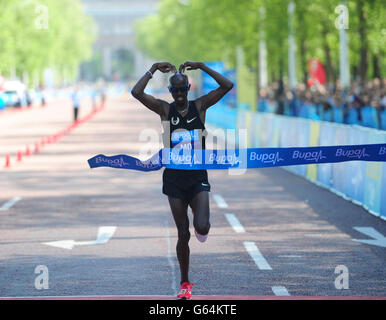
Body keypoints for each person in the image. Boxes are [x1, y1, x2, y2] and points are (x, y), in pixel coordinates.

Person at [131, 61, 233, 300]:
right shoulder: (165, 110)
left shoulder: (200, 106)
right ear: (170, 92)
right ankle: (185, 282)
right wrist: (153, 68)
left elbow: (227, 85)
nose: (178, 94)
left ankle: (202, 227)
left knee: (202, 227)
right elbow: (136, 93)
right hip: (174, 180)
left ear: (188, 87)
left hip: (197, 176)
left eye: (181, 89)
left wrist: (201, 66)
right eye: (174, 91)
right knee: (183, 234)